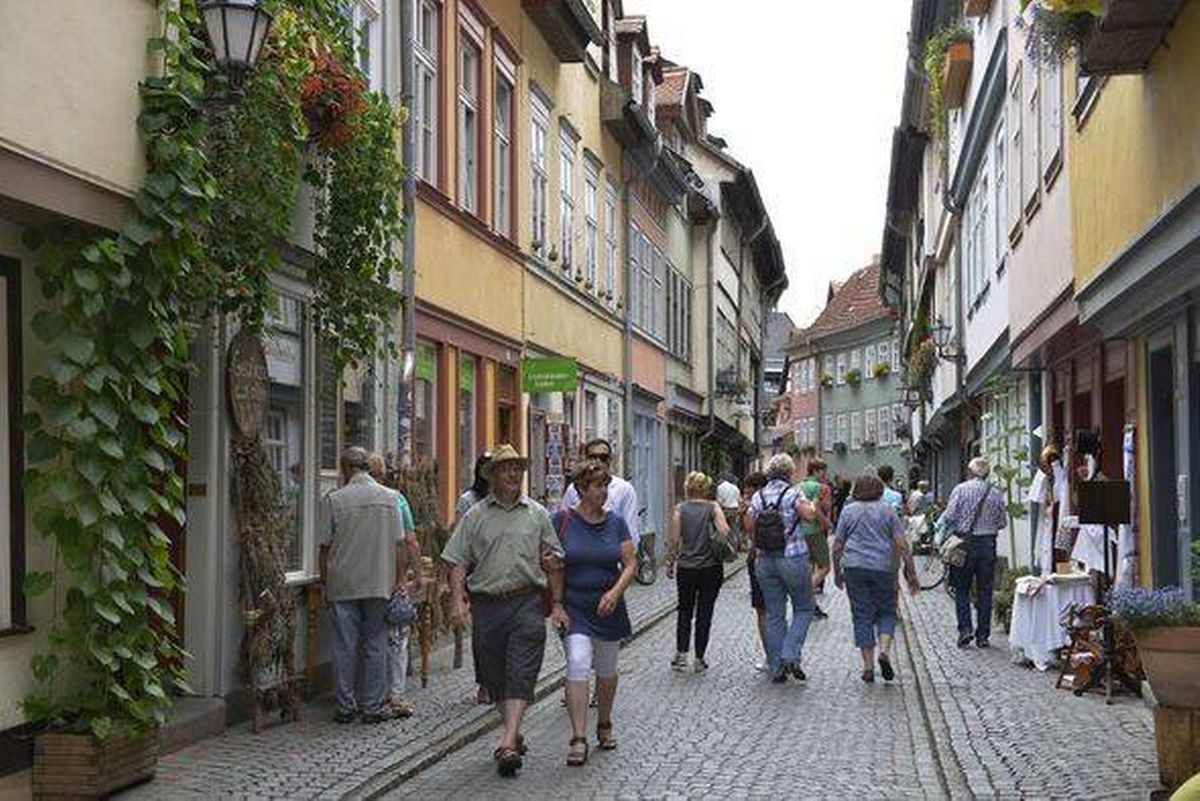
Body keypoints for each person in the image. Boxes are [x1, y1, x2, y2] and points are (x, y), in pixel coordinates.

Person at [442, 444, 566, 777]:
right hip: (486, 606)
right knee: (495, 677)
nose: (513, 475)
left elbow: (555, 559)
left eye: (517, 469)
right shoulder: (475, 515)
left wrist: (557, 602)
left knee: (522, 672)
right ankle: (513, 729)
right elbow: (456, 561)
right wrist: (457, 601)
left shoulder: (537, 514)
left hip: (526, 602)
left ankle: (508, 742)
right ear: (493, 475)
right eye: (506, 469)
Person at [551, 459, 636, 766]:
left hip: (608, 607)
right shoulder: (561, 521)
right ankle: (578, 737)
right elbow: (553, 565)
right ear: (581, 490)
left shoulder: (616, 523)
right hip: (575, 606)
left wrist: (615, 592)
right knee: (576, 662)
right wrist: (557, 604)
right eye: (598, 486)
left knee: (607, 670)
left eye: (606, 485)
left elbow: (630, 563)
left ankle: (604, 721)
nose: (604, 492)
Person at [319, 447, 409, 724]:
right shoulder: (390, 498)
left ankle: (345, 706)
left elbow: (324, 547)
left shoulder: (334, 500)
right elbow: (400, 546)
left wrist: (325, 582)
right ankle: (372, 706)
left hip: (343, 583)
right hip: (379, 582)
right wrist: (399, 579)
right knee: (376, 644)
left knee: (344, 647)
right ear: (368, 467)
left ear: (346, 468)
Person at [833, 473, 921, 682]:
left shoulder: (848, 511)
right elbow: (902, 544)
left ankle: (868, 666)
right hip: (884, 567)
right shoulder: (888, 511)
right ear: (879, 490)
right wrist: (911, 574)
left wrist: (837, 572)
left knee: (861, 614)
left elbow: (837, 546)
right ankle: (884, 651)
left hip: (854, 567)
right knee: (887, 611)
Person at [745, 453, 817, 683]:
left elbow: (748, 525)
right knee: (804, 608)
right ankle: (790, 654)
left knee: (774, 614)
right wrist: (811, 504)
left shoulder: (759, 495)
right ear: (789, 473)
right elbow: (808, 516)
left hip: (765, 560)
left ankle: (776, 667)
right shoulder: (794, 492)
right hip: (792, 557)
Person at [368, 453, 423, 719]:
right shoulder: (396, 499)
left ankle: (367, 693)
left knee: (366, 638)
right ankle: (396, 695)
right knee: (397, 638)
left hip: (360, 579)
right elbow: (409, 541)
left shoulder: (341, 496)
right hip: (391, 578)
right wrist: (415, 574)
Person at [939, 456, 1009, 648]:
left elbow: (950, 516)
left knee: (961, 588)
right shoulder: (995, 493)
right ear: (987, 474)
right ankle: (983, 635)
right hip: (988, 545)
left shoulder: (961, 490)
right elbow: (1002, 522)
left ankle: (965, 630)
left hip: (964, 544)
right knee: (985, 590)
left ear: (969, 472)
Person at [665, 471, 731, 673]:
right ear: (706, 489)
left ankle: (681, 654)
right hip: (711, 568)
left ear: (688, 488)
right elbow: (725, 530)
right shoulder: (713, 507)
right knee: (705, 612)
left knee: (684, 611)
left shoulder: (680, 509)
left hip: (687, 568)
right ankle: (700, 658)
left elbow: (675, 539)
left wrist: (670, 561)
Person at [455, 451, 494, 705]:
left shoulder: (512, 500)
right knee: (483, 636)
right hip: (478, 576)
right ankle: (485, 682)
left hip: (505, 573)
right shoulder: (468, 501)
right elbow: (460, 541)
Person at [561, 438, 640, 547]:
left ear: (610, 460)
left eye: (603, 457)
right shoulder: (573, 489)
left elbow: (631, 530)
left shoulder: (624, 489)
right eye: (592, 457)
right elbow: (565, 525)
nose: (598, 461)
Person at [796, 458, 833, 619]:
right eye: (823, 471)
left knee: (809, 568)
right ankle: (805, 595)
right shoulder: (822, 488)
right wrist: (828, 523)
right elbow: (824, 507)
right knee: (825, 566)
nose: (825, 474)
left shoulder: (798, 486)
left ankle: (810, 606)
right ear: (817, 471)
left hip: (800, 531)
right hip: (815, 530)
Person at [741, 471, 769, 671]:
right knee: (776, 610)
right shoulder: (779, 499)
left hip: (759, 559)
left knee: (762, 611)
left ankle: (770, 656)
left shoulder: (755, 505)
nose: (745, 492)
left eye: (747, 489)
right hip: (780, 559)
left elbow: (749, 530)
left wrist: (745, 512)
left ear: (755, 488)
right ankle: (785, 654)